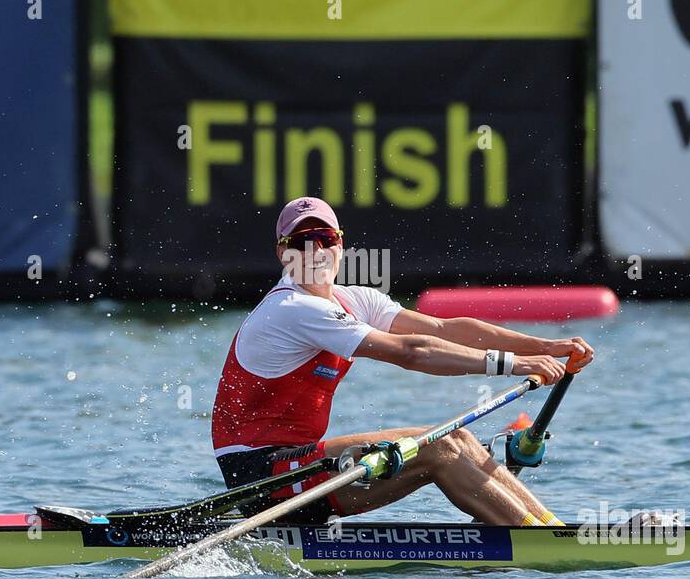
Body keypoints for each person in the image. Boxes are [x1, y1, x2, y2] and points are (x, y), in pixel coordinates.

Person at [210, 196, 594, 526]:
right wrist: (517, 365)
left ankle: (549, 527)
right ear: (283, 254)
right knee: (438, 448)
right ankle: (534, 540)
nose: (315, 250)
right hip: (259, 477)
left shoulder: (354, 300)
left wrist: (546, 346)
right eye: (302, 241)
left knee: (458, 437)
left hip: (301, 467)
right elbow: (412, 352)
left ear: (341, 246)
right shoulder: (292, 308)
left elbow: (444, 330)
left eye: (325, 238)